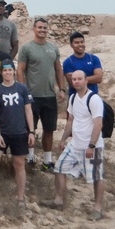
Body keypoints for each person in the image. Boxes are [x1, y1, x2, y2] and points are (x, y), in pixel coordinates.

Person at [43, 70, 106, 220]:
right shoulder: (72, 98)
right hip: (75, 144)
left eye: (79, 79)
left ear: (86, 80)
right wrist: (64, 139)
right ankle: (58, 200)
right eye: (74, 79)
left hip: (92, 145)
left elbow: (98, 124)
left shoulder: (94, 99)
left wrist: (91, 145)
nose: (76, 81)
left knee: (96, 176)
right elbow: (71, 120)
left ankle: (98, 208)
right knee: (59, 168)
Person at [0, 60, 36, 208]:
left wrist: (31, 131)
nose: (7, 73)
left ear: (14, 71)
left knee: (19, 164)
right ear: (1, 72)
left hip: (20, 132)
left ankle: (20, 197)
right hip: (2, 132)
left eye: (10, 70)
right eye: (4, 70)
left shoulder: (22, 88)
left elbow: (28, 110)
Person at [17, 17, 66, 169]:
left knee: (49, 129)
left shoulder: (53, 48)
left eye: (45, 28)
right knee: (29, 128)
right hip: (32, 96)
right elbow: (20, 70)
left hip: (50, 96)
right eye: (40, 27)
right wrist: (23, 91)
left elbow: (58, 69)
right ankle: (30, 158)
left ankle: (47, 161)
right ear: (34, 29)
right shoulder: (26, 48)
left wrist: (62, 89)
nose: (42, 30)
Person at [62, 32, 103, 98]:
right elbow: (73, 84)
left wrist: (80, 79)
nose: (80, 44)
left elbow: (99, 78)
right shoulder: (68, 62)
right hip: (76, 99)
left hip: (93, 98)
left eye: (82, 42)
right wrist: (91, 78)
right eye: (76, 43)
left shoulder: (93, 59)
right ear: (71, 45)